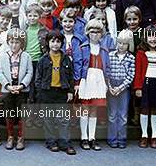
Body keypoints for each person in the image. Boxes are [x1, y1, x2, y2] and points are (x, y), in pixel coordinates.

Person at [36, 30, 76, 155]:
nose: (55, 44)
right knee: (49, 119)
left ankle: (65, 143)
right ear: (48, 43)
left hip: (61, 92)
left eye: (58, 41)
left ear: (61, 43)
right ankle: (51, 142)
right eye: (52, 41)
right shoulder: (43, 60)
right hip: (47, 92)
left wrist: (70, 91)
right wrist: (40, 93)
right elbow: (38, 78)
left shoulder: (66, 59)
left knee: (63, 119)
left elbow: (70, 77)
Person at [74, 19, 110, 151]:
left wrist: (106, 82)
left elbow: (107, 67)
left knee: (94, 109)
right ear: (88, 33)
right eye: (92, 31)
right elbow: (78, 65)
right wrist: (77, 82)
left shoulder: (104, 49)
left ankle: (92, 137)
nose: (95, 34)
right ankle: (83, 137)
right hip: (86, 78)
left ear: (102, 33)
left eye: (98, 32)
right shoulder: (83, 47)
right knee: (85, 108)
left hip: (99, 79)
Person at [0, 27, 33, 150]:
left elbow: (29, 72)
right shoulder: (3, 56)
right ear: (8, 42)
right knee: (9, 113)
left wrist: (22, 85)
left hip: (21, 89)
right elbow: (0, 73)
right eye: (11, 42)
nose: (14, 45)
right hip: (8, 89)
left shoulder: (26, 56)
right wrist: (7, 86)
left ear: (22, 44)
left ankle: (20, 137)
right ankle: (10, 136)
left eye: (17, 42)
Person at [133, 25, 156, 148]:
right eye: (150, 36)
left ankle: (154, 136)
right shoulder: (141, 53)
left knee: (155, 109)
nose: (153, 39)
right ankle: (144, 135)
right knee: (145, 109)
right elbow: (138, 72)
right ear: (145, 38)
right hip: (145, 84)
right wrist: (138, 88)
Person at [106, 29, 136, 149]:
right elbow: (107, 71)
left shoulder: (130, 58)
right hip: (112, 85)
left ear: (129, 45)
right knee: (112, 114)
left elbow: (131, 75)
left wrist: (120, 87)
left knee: (123, 115)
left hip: (123, 87)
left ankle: (122, 138)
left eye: (124, 43)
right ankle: (112, 138)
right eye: (120, 43)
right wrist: (110, 86)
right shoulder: (110, 55)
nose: (121, 46)